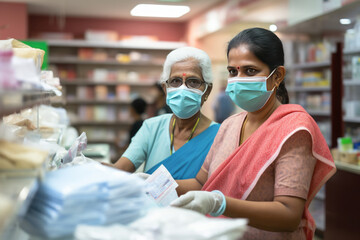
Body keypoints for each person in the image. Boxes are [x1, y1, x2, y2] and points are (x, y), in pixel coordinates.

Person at [171, 28, 336, 239]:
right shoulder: (230, 125)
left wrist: (219, 203)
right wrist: (154, 183)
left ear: (277, 76)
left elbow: (289, 214)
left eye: (250, 71)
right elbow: (201, 183)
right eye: (233, 71)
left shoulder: (294, 129)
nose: (239, 79)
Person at [110, 47, 220, 179]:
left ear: (207, 90)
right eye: (175, 81)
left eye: (193, 82)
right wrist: (88, 167)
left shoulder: (219, 136)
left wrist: (150, 182)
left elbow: (209, 186)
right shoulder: (151, 128)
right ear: (165, 88)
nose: (183, 89)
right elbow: (120, 170)